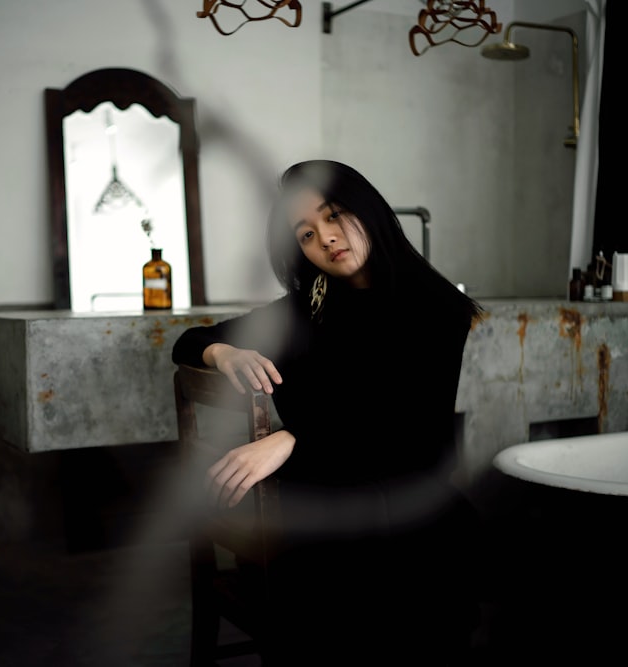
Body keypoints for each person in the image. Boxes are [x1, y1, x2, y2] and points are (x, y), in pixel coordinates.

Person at [172, 159, 485, 665]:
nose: (327, 239)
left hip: (398, 498)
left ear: (369, 211)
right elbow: (191, 340)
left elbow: (410, 432)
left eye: (335, 215)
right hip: (313, 503)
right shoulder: (310, 304)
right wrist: (224, 353)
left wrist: (289, 439)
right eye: (306, 233)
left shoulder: (435, 307)